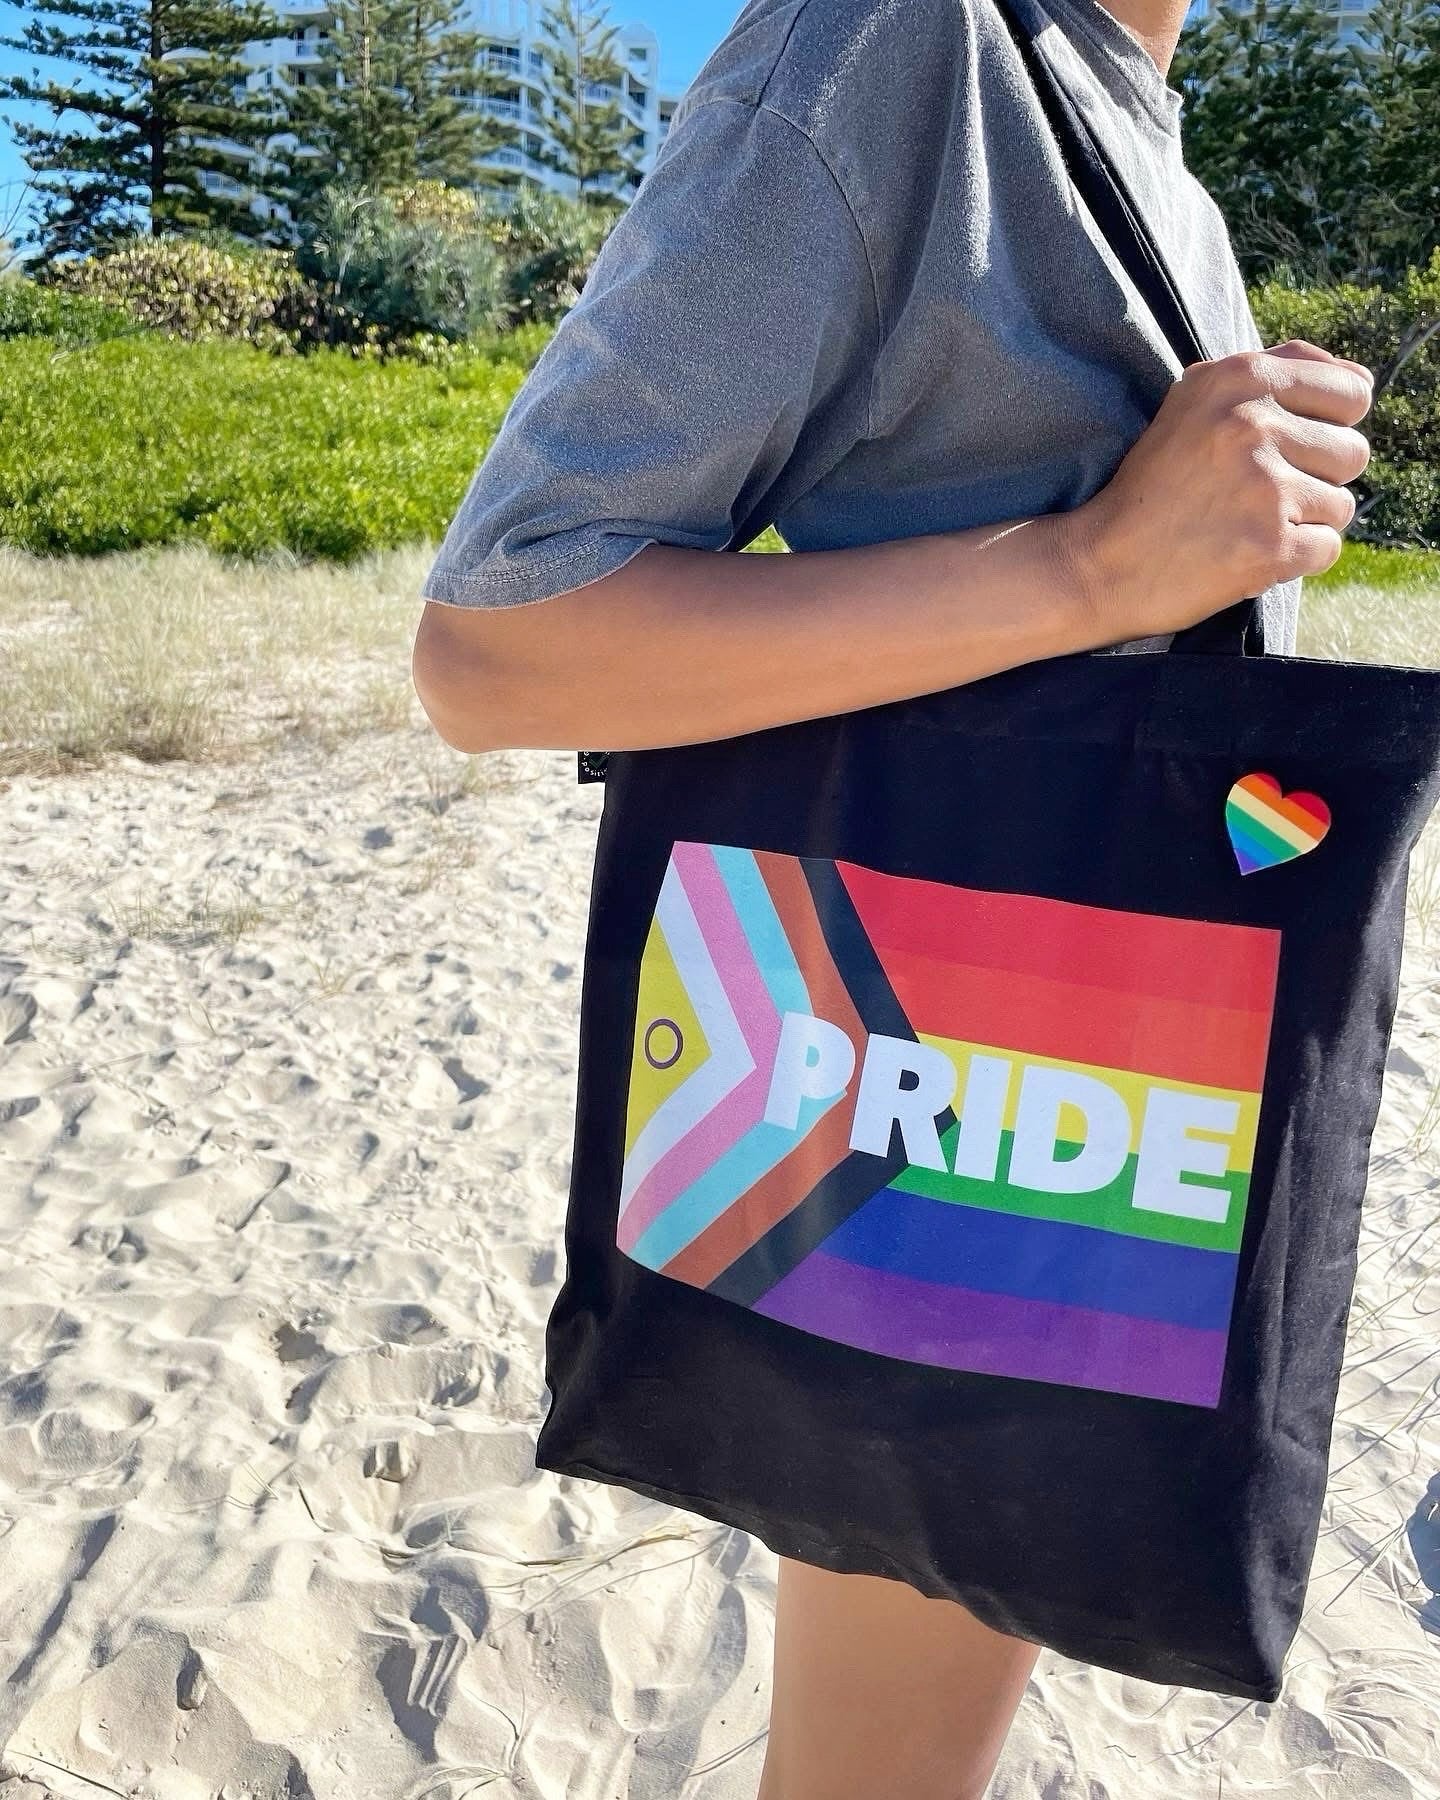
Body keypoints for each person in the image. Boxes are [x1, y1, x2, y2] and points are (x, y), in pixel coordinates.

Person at [412, 0, 1374, 1793]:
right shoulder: (902, 43)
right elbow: (499, 645)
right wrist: (1096, 564)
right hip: (936, 1101)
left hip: (1051, 1098)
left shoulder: (1135, 125)